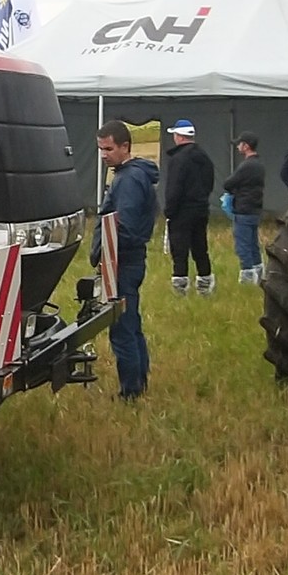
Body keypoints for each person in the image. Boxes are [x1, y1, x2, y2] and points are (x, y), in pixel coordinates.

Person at [91, 119, 157, 396]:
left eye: (108, 148)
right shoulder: (129, 174)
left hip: (122, 262)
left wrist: (107, 256)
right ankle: (138, 383)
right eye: (100, 149)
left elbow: (124, 227)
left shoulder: (129, 179)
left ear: (125, 146)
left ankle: (130, 392)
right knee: (132, 324)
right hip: (127, 260)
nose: (104, 155)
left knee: (122, 329)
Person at [162, 120, 217, 295]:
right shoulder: (204, 156)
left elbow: (174, 187)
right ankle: (205, 284)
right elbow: (210, 182)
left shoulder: (178, 159)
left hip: (181, 211)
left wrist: (169, 211)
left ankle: (180, 288)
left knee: (180, 250)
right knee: (201, 248)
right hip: (201, 209)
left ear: (178, 136)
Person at [223, 132, 266, 284]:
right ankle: (260, 273)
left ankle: (247, 278)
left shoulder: (246, 166)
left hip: (243, 210)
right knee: (254, 244)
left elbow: (228, 183)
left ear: (246, 146)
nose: (238, 146)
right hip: (255, 209)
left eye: (239, 144)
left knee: (243, 246)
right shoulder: (259, 165)